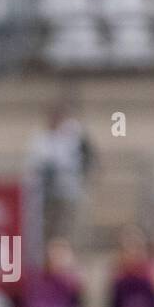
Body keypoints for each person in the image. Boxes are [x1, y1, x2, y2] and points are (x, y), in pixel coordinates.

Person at [27, 103, 95, 244]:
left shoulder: (74, 136)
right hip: (47, 192)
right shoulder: (41, 139)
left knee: (66, 226)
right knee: (47, 226)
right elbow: (35, 165)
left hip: (69, 189)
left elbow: (88, 157)